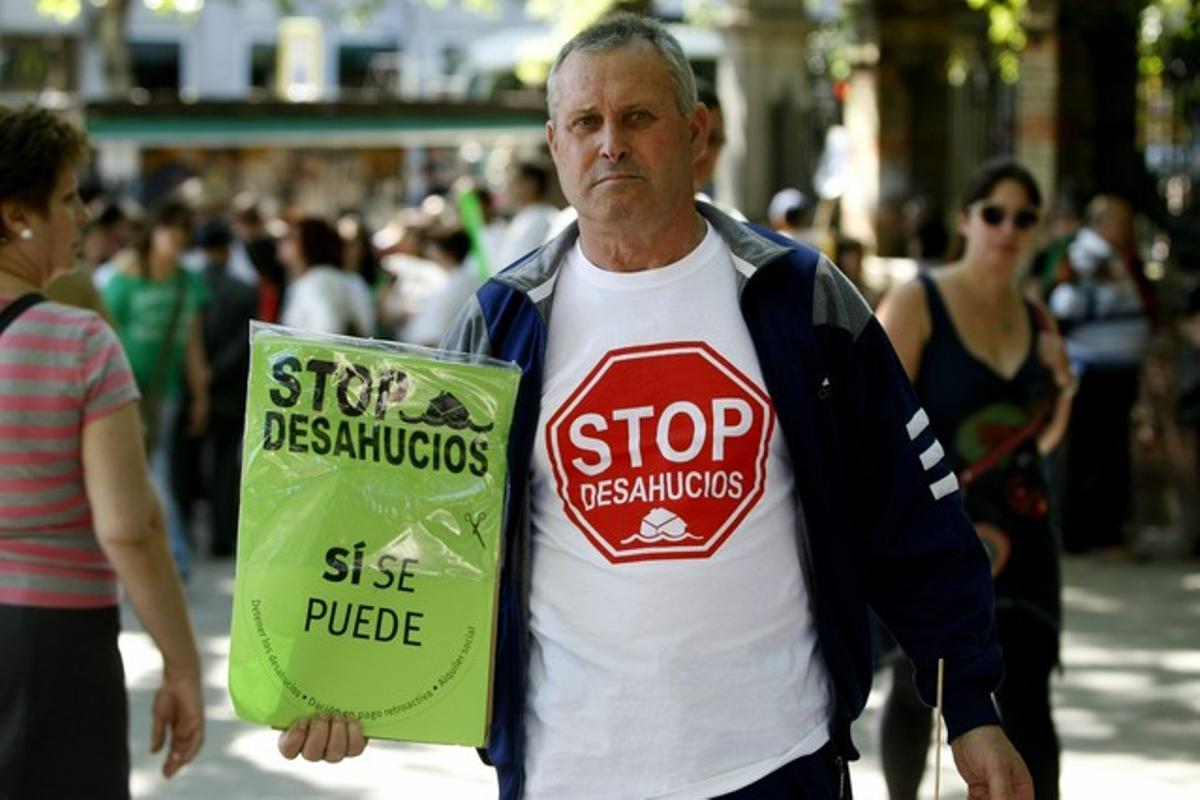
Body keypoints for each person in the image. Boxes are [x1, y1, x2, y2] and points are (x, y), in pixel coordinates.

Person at [279, 15, 1031, 800]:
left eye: (638, 117)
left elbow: (912, 511)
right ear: (555, 143)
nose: (611, 144)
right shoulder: (504, 323)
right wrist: (341, 679)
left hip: (777, 761)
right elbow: (421, 529)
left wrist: (971, 705)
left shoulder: (798, 299)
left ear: (696, 131)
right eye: (586, 123)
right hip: (567, 770)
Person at [0, 104, 204, 798]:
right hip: (49, 643)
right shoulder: (78, 343)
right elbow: (131, 526)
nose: (83, 215)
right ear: (13, 216)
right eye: (66, 197)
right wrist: (181, 666)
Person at [876, 159, 1075, 800]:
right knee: (920, 682)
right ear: (966, 219)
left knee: (1029, 691)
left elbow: (1039, 439)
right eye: (993, 213)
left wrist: (1062, 383)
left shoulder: (1038, 316)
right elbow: (873, 423)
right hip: (942, 528)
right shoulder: (918, 300)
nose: (1007, 229)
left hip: (1024, 526)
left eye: (1023, 218)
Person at [101, 200, 211, 580]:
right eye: (170, 227)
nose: (177, 237)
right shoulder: (124, 275)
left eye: (184, 229)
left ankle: (170, 555)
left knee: (154, 470)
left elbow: (193, 346)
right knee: (148, 471)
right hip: (122, 392)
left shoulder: (189, 283)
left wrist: (200, 396)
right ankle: (170, 555)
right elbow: (105, 330)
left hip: (164, 394)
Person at [1046, 194, 1154, 555]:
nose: (1128, 229)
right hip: (1093, 370)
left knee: (1106, 452)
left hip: (1112, 371)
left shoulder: (1108, 256)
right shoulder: (1087, 255)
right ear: (1103, 223)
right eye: (1122, 221)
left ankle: (1104, 532)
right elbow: (1065, 303)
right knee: (1091, 454)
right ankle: (1086, 534)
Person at [278, 215, 373, 337]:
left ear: (308, 244)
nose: (282, 244)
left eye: (291, 239)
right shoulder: (315, 280)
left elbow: (327, 333)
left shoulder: (319, 282)